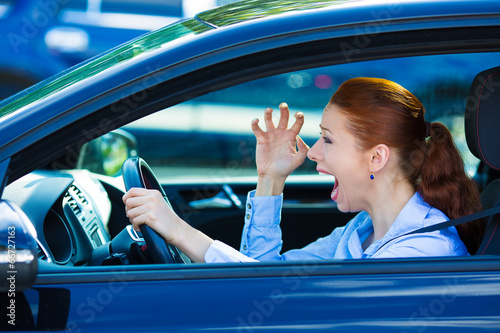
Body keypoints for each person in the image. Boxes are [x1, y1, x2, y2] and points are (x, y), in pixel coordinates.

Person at [123, 77, 484, 263]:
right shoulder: (360, 233)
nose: (312, 153)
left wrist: (176, 229)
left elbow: (270, 293)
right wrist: (271, 178)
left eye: (327, 140)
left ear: (376, 158)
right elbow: (265, 275)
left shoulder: (421, 251)